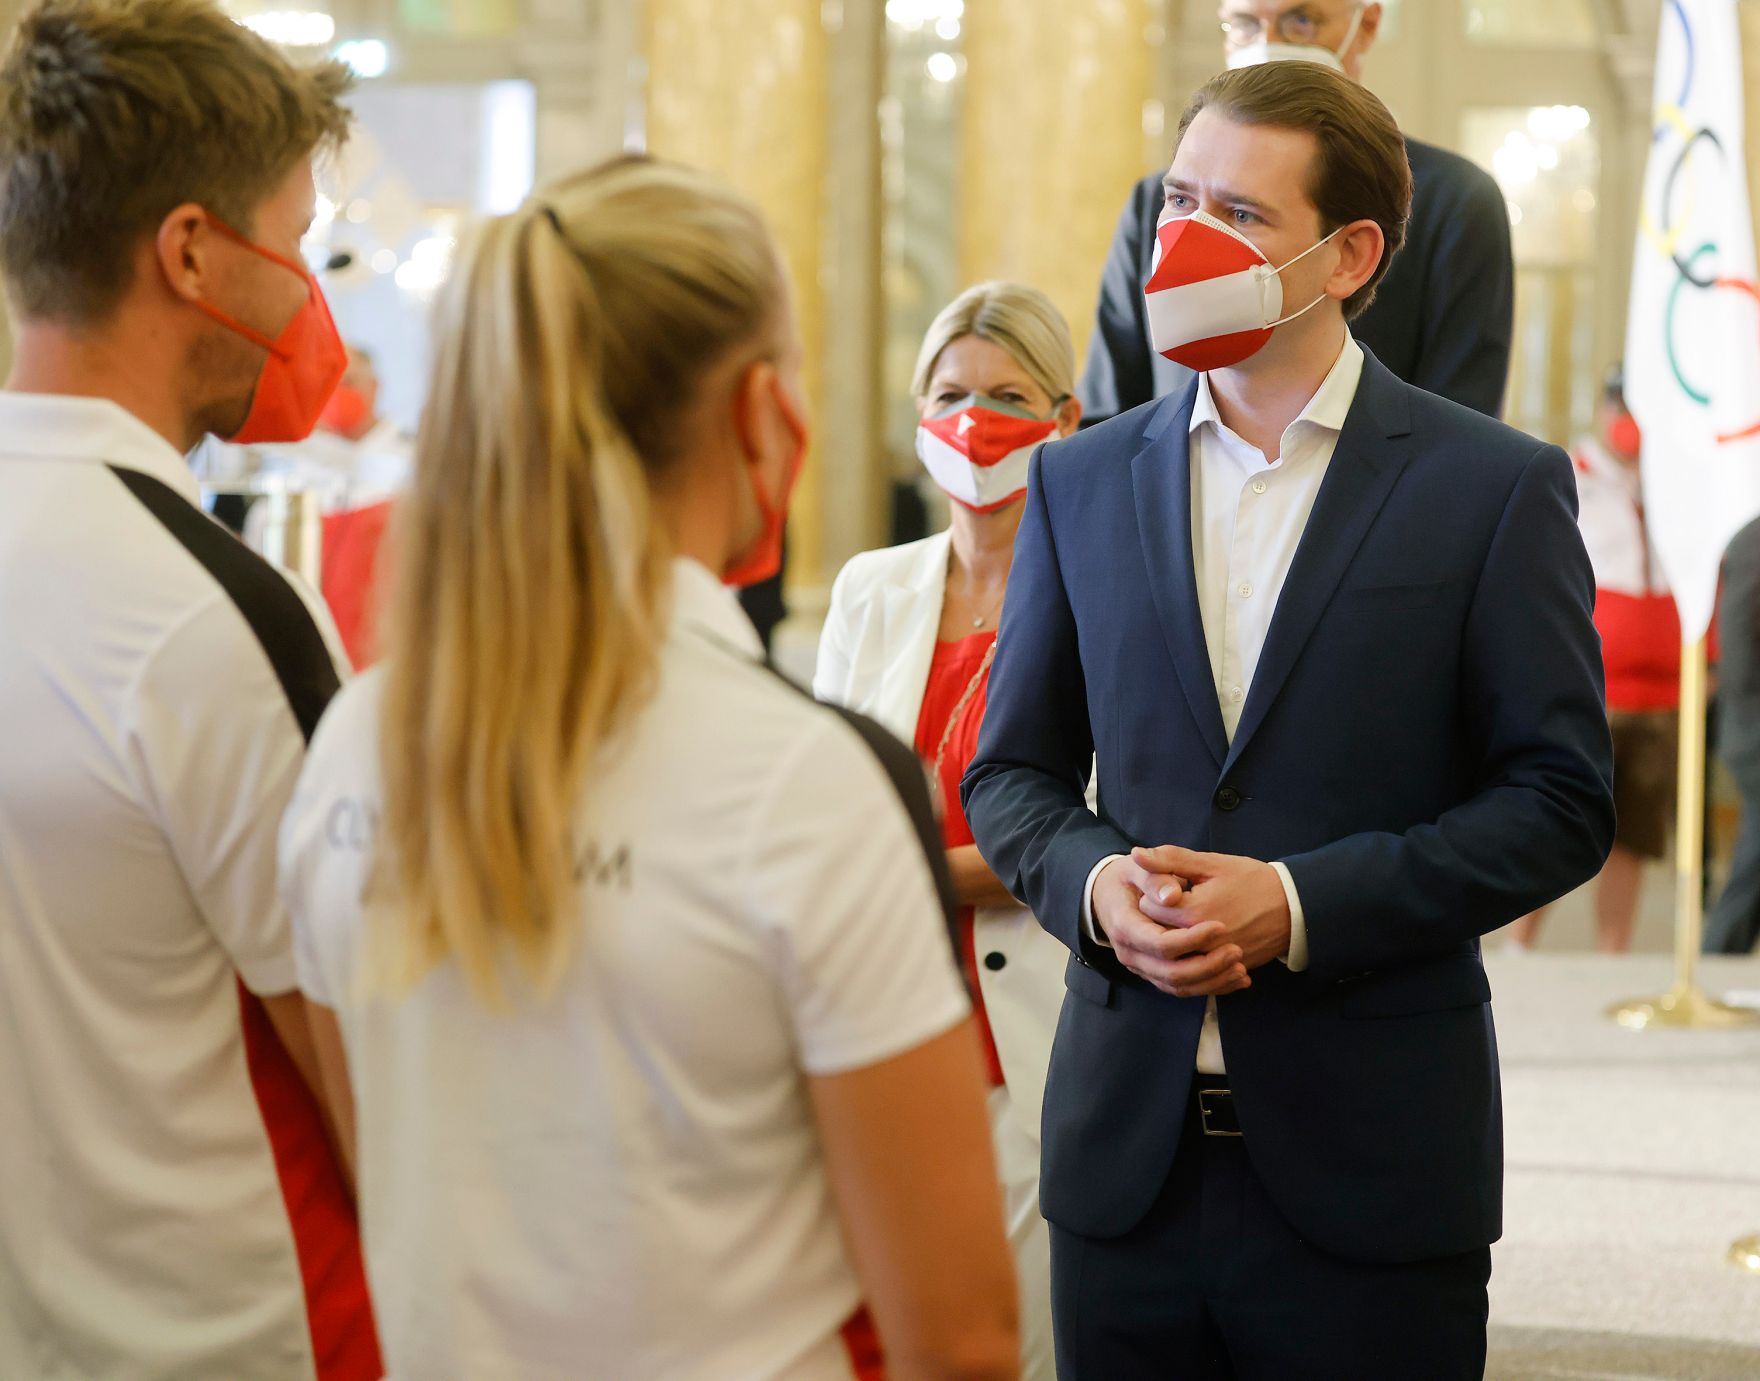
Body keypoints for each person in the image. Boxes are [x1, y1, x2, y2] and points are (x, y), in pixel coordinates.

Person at [277, 158, 1020, 1381]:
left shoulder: (355, 742)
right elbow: (960, 1336)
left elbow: (384, 1169)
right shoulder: (808, 784)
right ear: (753, 412)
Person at [963, 62, 1614, 1379]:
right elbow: (1015, 774)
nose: (1187, 238)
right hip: (1121, 1174)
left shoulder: (1491, 489)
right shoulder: (1082, 480)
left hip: (1373, 1180)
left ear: (1351, 252)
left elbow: (1558, 801)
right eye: (1179, 201)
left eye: (1241, 215)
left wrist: (1300, 903)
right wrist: (1095, 887)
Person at [0, 2, 378, 1377]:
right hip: (240, 1331)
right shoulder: (216, 615)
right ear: (195, 253)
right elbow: (365, 1075)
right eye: (299, 244)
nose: (308, 297)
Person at [815, 279, 1082, 1381]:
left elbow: (1082, 836)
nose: (975, 419)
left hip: (1035, 1028)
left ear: (1065, 417)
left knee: (1013, 1341)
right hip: (884, 1016)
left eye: (1008, 393)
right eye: (950, 393)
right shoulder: (870, 589)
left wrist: (896, 870)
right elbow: (827, 799)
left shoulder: (1102, 595)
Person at [1079, 0, 1513, 428]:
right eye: (1246, 23)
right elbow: (1109, 416)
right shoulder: (1151, 205)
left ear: (1365, 26)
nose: (1268, 45)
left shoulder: (1455, 201)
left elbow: (1463, 439)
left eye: (1301, 21)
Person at [1511, 368, 1679, 954]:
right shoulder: (1568, 477)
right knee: (1566, 817)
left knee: (1635, 831)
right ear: (1605, 409)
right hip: (1591, 685)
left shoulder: (1667, 485)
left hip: (1658, 695)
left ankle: (1614, 951)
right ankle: (1522, 943)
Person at [1707, 515, 1760, 954]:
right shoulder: (1754, 539)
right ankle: (1721, 950)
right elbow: (1738, 642)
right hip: (1755, 729)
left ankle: (1724, 950)